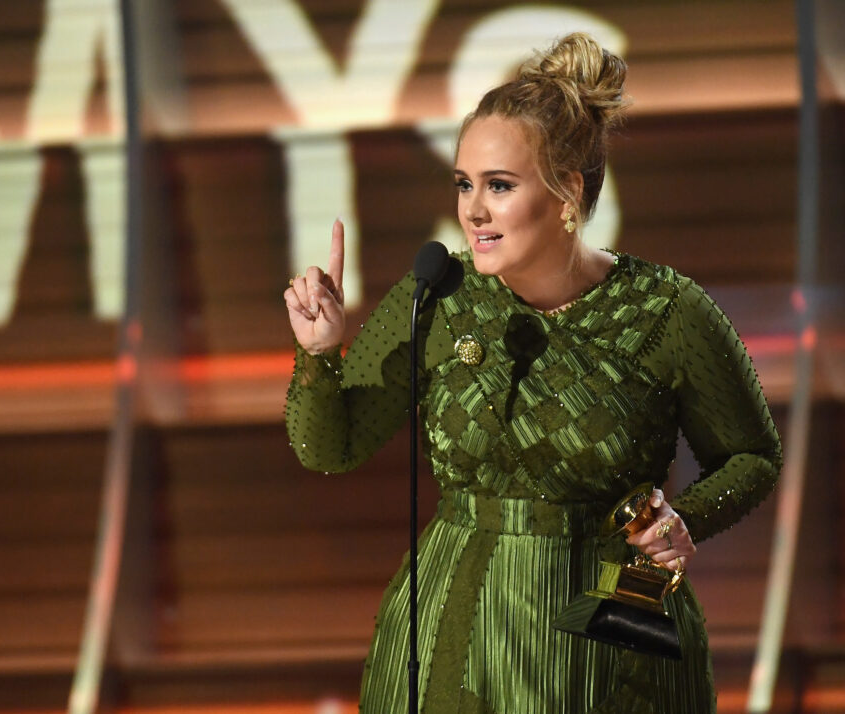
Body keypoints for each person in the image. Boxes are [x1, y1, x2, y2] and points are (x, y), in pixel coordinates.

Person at [283, 32, 781, 714]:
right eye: (464, 184)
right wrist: (319, 352)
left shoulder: (669, 310)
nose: (472, 210)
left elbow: (752, 455)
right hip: (455, 633)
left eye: (499, 186)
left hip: (614, 634)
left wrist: (683, 519)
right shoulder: (438, 295)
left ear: (568, 192)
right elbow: (329, 448)